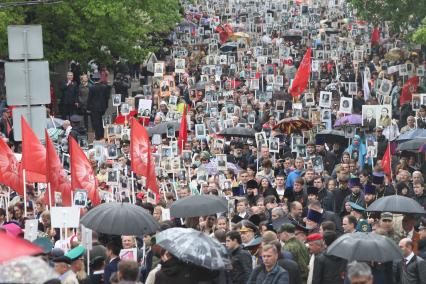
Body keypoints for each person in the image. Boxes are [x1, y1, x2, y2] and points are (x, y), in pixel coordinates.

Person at [87, 73, 109, 140]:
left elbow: (89, 98)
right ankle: (102, 134)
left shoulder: (91, 88)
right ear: (99, 79)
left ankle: (98, 135)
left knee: (96, 122)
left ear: (93, 79)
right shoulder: (104, 87)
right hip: (102, 107)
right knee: (101, 121)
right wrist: (106, 106)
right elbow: (106, 97)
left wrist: (88, 108)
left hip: (94, 108)